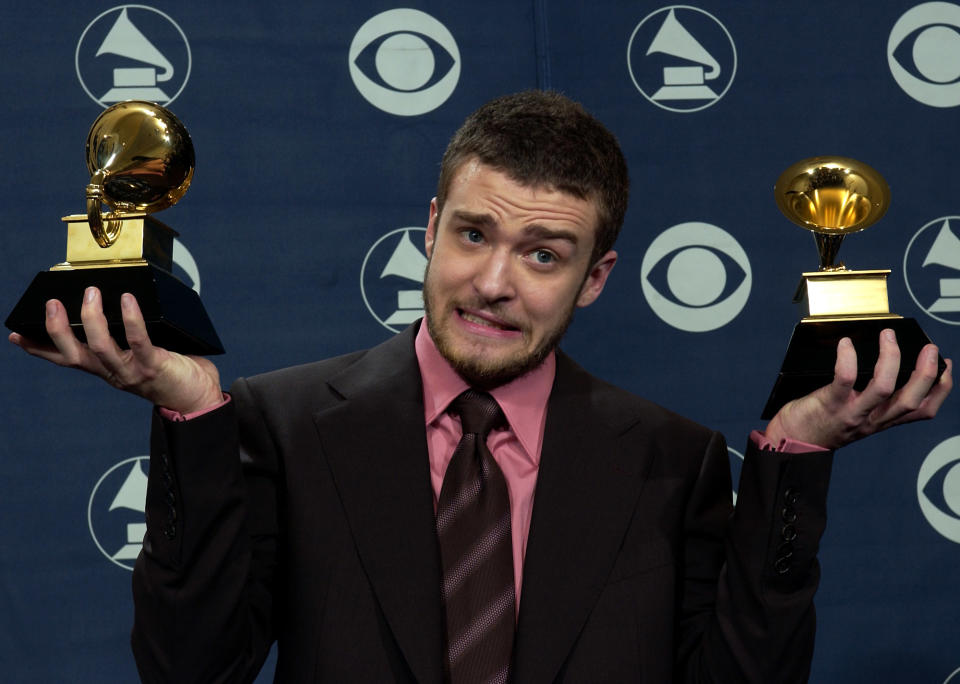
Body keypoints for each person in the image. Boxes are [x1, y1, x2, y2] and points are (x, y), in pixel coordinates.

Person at [10, 91, 952, 683]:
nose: (494, 282)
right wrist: (189, 414)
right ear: (430, 226)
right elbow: (190, 669)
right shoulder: (281, 424)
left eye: (543, 253)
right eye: (473, 234)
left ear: (596, 279)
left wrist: (800, 456)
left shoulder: (673, 459)